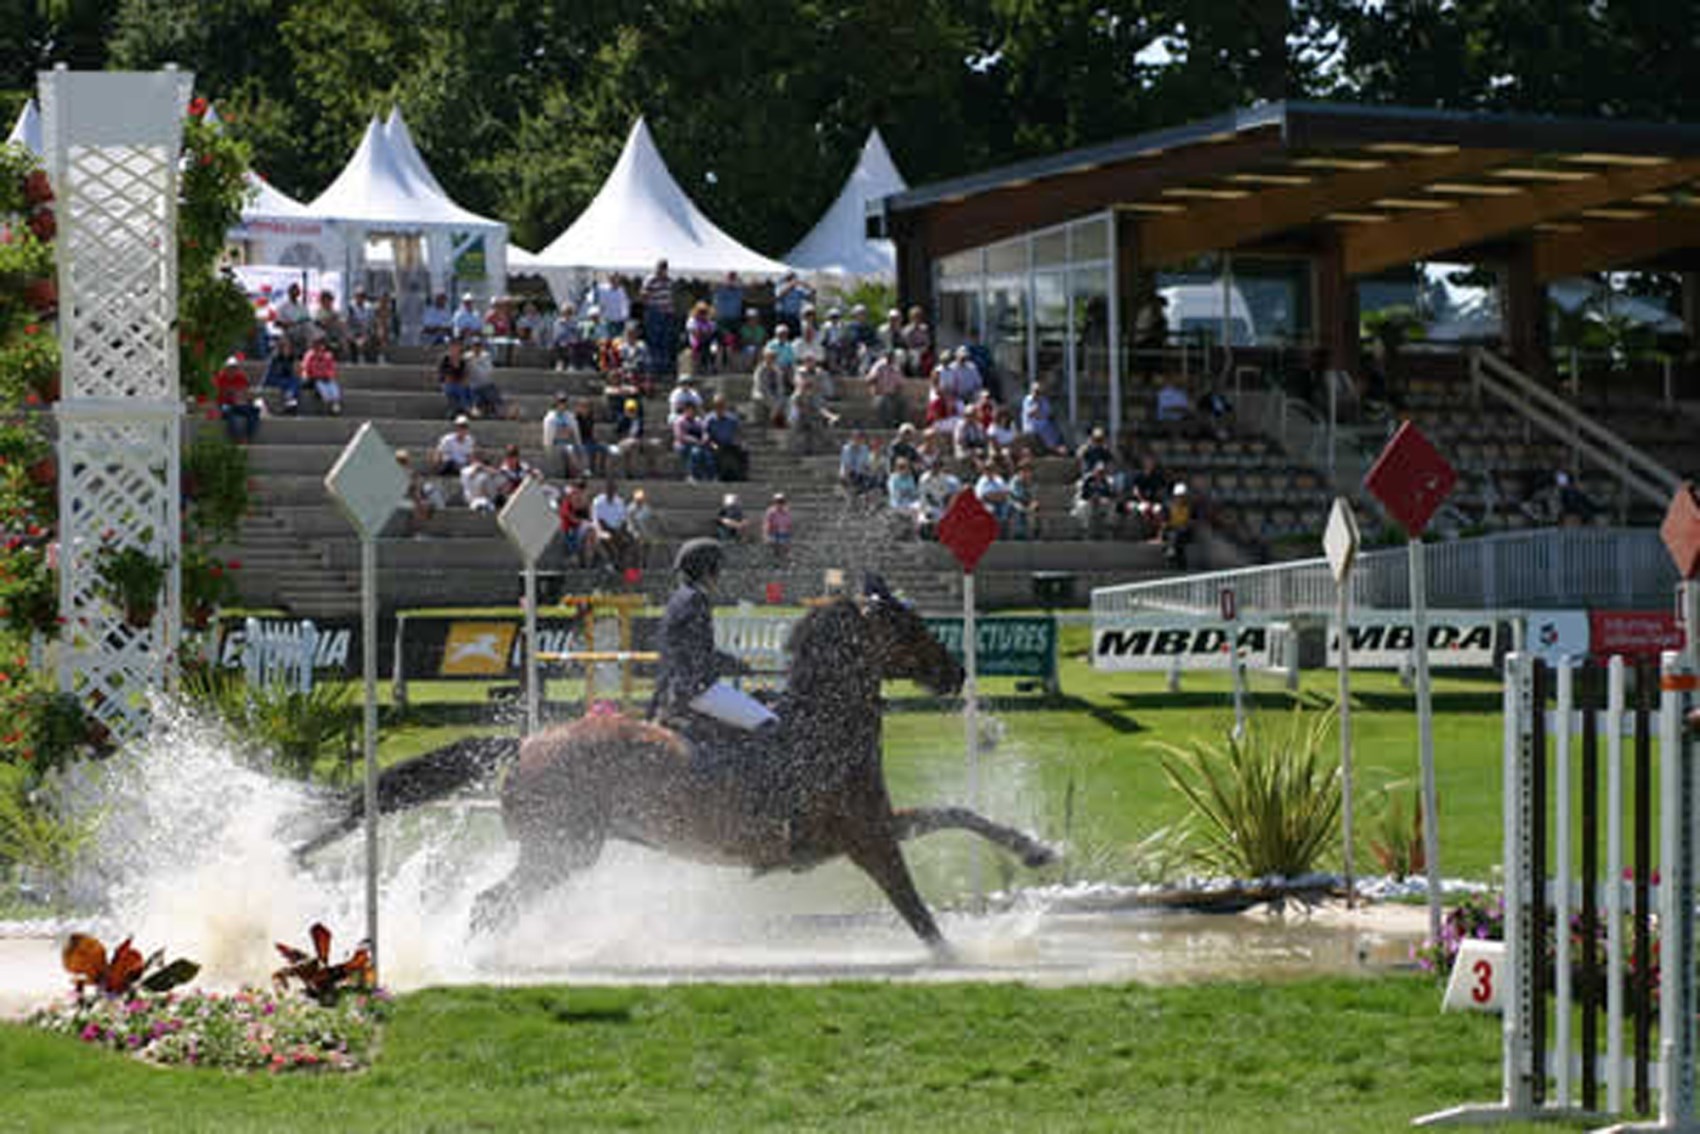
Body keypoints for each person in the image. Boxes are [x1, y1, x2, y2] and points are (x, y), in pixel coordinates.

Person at [653, 538, 777, 733]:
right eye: (718, 569)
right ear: (707, 570)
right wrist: (730, 664)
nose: (720, 576)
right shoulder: (695, 599)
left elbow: (694, 647)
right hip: (695, 689)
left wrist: (729, 662)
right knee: (770, 722)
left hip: (679, 684)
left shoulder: (682, 596)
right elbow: (697, 653)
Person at [591, 477, 635, 571]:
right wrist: (604, 532)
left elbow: (624, 520)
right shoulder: (598, 502)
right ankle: (612, 565)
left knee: (632, 541)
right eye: (609, 489)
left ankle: (631, 573)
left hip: (618, 530)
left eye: (613, 489)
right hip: (604, 529)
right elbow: (598, 521)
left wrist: (625, 530)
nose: (611, 492)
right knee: (608, 540)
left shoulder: (620, 502)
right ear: (605, 489)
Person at [214, 355, 260, 443]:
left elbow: (247, 393)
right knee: (230, 416)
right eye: (230, 368)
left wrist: (243, 398)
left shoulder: (241, 378)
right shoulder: (221, 378)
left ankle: (247, 436)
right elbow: (218, 396)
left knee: (254, 412)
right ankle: (237, 439)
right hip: (226, 404)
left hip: (239, 404)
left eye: (234, 368)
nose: (232, 370)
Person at [704, 395, 746, 482]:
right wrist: (711, 442)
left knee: (743, 450)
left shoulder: (732, 419)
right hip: (714, 444)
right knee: (717, 450)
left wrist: (740, 442)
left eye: (721, 405)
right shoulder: (709, 419)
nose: (719, 408)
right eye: (717, 405)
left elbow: (738, 432)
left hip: (729, 444)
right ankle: (716, 475)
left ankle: (741, 474)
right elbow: (706, 435)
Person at [542, 392, 585, 478]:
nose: (562, 405)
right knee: (569, 450)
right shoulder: (550, 418)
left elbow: (575, 432)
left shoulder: (570, 416)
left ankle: (577, 472)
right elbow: (548, 436)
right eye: (560, 402)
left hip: (568, 442)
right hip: (555, 443)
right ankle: (577, 471)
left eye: (564, 402)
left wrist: (579, 444)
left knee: (573, 449)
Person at [1021, 382, 1069, 455]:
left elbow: (1047, 414)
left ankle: (1055, 449)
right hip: (1032, 427)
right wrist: (1037, 406)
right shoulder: (1027, 400)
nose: (1038, 394)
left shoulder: (1044, 400)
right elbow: (1031, 414)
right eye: (1036, 392)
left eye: (1039, 392)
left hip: (1044, 425)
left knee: (1053, 428)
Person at [299, 336, 344, 415]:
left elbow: (331, 369)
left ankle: (335, 402)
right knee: (321, 385)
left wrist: (328, 375)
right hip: (314, 379)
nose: (320, 349)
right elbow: (307, 369)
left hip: (326, 378)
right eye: (318, 346)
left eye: (322, 346)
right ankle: (328, 402)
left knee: (333, 385)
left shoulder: (328, 356)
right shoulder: (310, 356)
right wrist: (316, 375)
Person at [673, 401, 716, 483]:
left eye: (692, 410)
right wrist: (694, 441)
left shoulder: (698, 421)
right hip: (683, 444)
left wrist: (705, 438)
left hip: (699, 444)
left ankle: (710, 476)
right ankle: (692, 475)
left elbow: (704, 431)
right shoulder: (680, 421)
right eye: (689, 410)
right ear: (685, 410)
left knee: (708, 454)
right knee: (695, 452)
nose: (691, 412)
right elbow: (680, 436)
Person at [261, 334, 302, 414]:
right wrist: (263, 385)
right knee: (290, 382)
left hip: (286, 381)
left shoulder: (292, 359)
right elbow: (269, 373)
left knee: (295, 380)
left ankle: (291, 400)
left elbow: (292, 373)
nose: (288, 350)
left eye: (289, 348)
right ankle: (290, 399)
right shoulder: (275, 358)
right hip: (274, 380)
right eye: (286, 347)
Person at [865, 348, 906, 429]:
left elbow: (900, 383)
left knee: (904, 402)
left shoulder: (895, 367)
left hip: (892, 394)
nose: (891, 358)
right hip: (880, 393)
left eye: (892, 357)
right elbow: (869, 379)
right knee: (885, 402)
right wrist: (875, 389)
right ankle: (887, 426)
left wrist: (897, 392)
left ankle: (900, 424)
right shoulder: (879, 366)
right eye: (889, 356)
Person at [466, 338, 506, 418]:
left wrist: (475, 364)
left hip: (486, 385)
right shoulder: (467, 357)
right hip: (473, 387)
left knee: (495, 397)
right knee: (474, 401)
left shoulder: (486, 356)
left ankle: (499, 412)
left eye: (478, 346)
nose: (476, 348)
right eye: (475, 346)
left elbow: (487, 372)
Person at [345, 289, 377, 363]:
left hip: (366, 332)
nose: (360, 298)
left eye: (362, 296)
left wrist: (366, 334)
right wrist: (352, 336)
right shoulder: (350, 307)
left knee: (371, 341)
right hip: (354, 332)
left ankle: (370, 362)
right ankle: (353, 361)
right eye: (358, 296)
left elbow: (372, 321)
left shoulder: (369, 307)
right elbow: (347, 323)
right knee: (351, 341)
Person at [763, 492, 793, 566]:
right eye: (778, 501)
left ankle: (786, 560)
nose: (779, 503)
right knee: (776, 545)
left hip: (783, 532)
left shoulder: (786, 511)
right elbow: (767, 523)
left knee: (785, 545)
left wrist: (788, 532)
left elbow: (789, 524)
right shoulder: (770, 512)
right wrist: (766, 535)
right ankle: (777, 561)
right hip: (773, 532)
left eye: (781, 501)